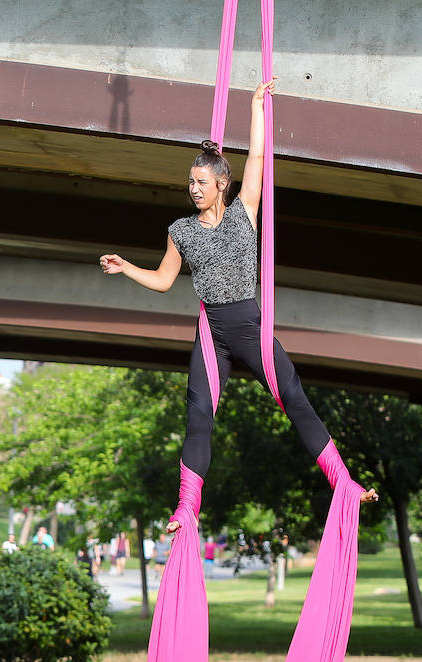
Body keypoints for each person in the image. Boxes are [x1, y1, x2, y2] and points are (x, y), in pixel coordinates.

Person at [99, 79, 375, 530]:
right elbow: (166, 280)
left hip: (249, 324)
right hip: (211, 332)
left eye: (202, 182)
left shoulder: (246, 209)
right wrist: (127, 267)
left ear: (222, 184)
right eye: (190, 181)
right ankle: (186, 509)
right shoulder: (180, 230)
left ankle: (343, 482)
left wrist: (255, 108)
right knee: (197, 418)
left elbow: (260, 158)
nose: (193, 189)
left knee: (294, 399)